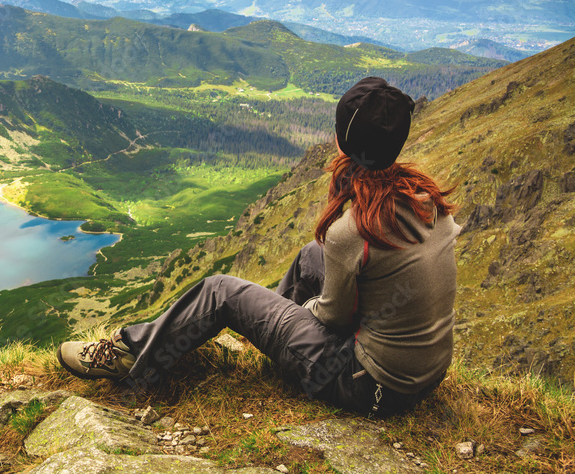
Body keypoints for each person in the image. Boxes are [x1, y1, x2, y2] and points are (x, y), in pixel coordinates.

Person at [57, 77, 460, 417]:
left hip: (367, 386)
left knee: (221, 291)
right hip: (422, 377)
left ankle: (128, 358)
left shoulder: (352, 231)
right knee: (309, 256)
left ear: (342, 142)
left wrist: (301, 312)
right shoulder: (428, 201)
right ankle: (266, 344)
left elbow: (334, 318)